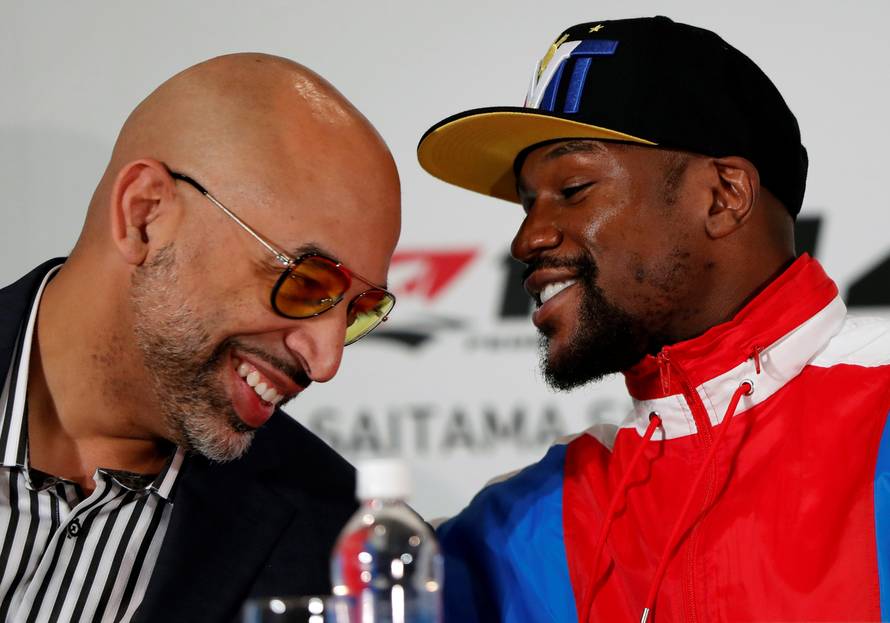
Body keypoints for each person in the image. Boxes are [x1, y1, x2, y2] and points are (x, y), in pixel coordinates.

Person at [417, 16, 890, 622]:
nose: (526, 238)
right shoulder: (517, 527)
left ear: (723, 196)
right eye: (527, 202)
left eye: (573, 188)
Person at [0, 53, 400, 622]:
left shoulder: (341, 549)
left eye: (358, 311)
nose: (325, 360)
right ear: (145, 215)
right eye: (307, 282)